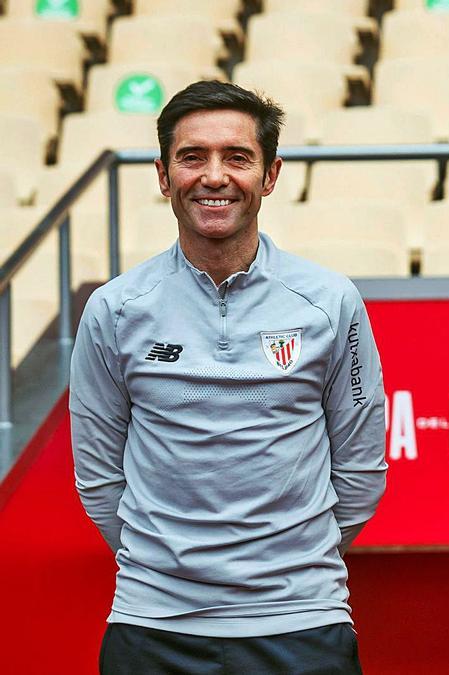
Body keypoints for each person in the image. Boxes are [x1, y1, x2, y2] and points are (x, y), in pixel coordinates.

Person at [70, 81, 387, 673]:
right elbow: (98, 479)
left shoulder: (330, 302)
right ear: (164, 177)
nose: (214, 176)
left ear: (270, 176)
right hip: (152, 626)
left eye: (236, 157)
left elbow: (361, 471)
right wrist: (168, 568)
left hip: (301, 624)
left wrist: (288, 567)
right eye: (193, 157)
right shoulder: (114, 309)